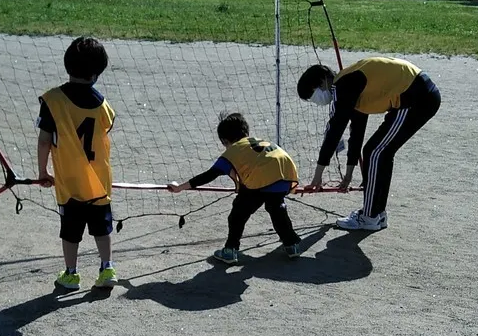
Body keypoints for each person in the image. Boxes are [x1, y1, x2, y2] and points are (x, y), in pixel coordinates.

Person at [297, 56, 441, 231]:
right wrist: (349, 173)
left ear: (321, 82)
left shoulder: (343, 85)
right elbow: (356, 132)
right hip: (413, 96)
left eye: (313, 95)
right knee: (379, 152)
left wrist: (317, 176)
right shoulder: (350, 85)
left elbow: (334, 131)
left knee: (375, 152)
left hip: (416, 98)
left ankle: (369, 217)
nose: (316, 101)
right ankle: (377, 213)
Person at [37, 36, 118, 290]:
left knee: (70, 231)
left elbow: (44, 141)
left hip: (70, 182)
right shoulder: (104, 105)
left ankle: (71, 273)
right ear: (96, 73)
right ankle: (107, 268)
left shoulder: (53, 100)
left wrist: (43, 171)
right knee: (102, 227)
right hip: (99, 181)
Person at [168, 113, 302, 264]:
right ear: (245, 132)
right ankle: (291, 245)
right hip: (285, 173)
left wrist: (180, 187)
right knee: (276, 208)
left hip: (260, 178)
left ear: (225, 141)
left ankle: (230, 250)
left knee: (238, 213)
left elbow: (209, 175)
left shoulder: (233, 152)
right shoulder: (258, 141)